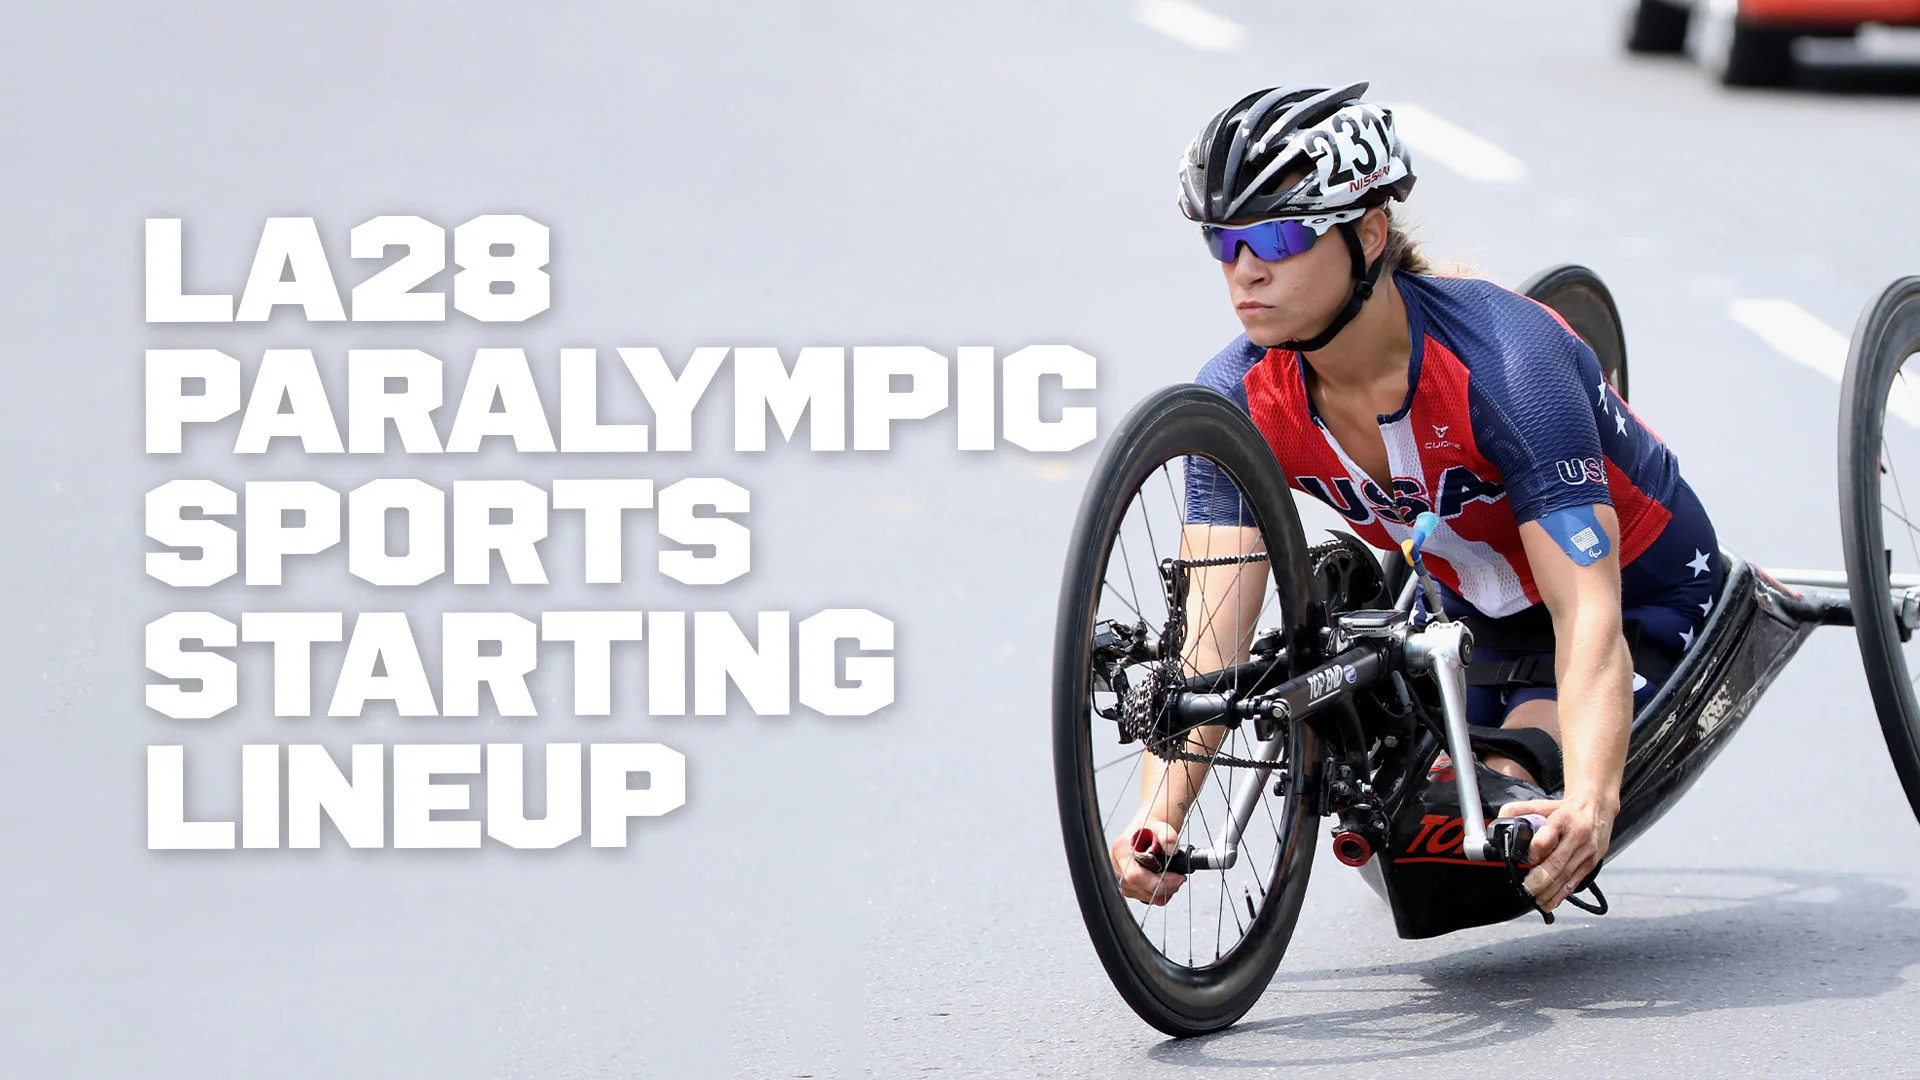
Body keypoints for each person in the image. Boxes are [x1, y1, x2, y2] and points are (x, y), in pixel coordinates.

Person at [1109, 83, 1723, 916]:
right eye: (1224, 242)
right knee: (1399, 782)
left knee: (1503, 797)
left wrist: (1590, 801)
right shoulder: (1239, 398)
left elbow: (1588, 617)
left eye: (1278, 235)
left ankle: (1521, 759)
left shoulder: (1510, 365)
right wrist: (1160, 815)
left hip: (1640, 591)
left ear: (1368, 236)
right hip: (1473, 602)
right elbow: (1210, 640)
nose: (1245, 269)